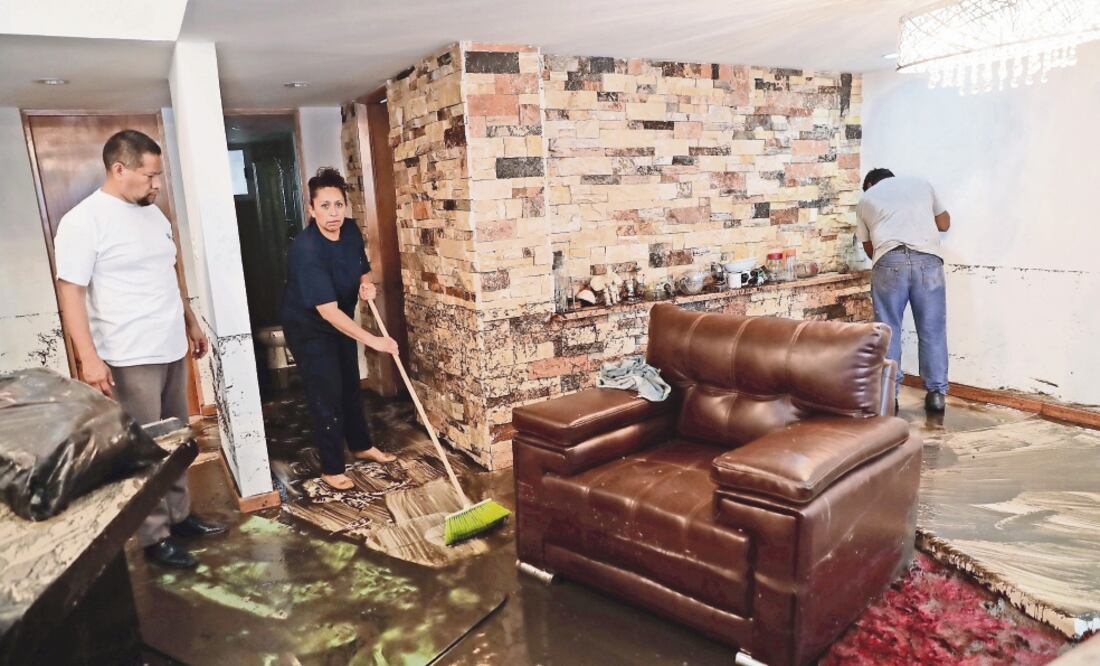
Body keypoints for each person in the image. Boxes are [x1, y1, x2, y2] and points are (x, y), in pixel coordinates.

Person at [54, 129, 226, 569]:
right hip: (129, 355)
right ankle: (154, 538)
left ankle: (181, 515)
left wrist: (190, 321)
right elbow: (70, 291)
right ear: (119, 169)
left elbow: (172, 274)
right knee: (145, 447)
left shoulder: (154, 216)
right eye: (150, 176)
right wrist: (89, 358)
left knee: (176, 440)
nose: (157, 185)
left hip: (170, 346)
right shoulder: (84, 221)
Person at [282, 167, 400, 491]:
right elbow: (327, 312)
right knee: (327, 392)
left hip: (340, 320)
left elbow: (363, 269)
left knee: (350, 383)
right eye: (324, 206)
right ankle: (332, 468)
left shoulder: (349, 230)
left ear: (345, 206)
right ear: (311, 210)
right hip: (309, 328)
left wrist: (367, 287)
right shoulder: (306, 250)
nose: (333, 213)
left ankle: (361, 445)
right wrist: (374, 341)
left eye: (338, 205)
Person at [856, 168, 952, 413]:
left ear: (869, 184)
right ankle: (936, 394)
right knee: (932, 330)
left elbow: (870, 249)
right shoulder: (921, 183)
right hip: (928, 263)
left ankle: (890, 396)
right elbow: (944, 223)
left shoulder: (866, 199)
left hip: (889, 263)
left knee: (889, 330)